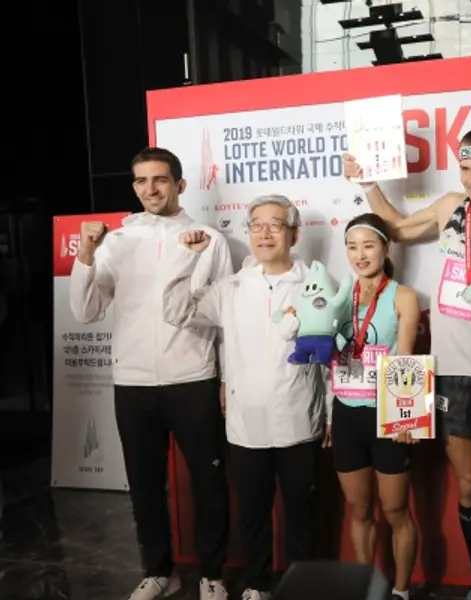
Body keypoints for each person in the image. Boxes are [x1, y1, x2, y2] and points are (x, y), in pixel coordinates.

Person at [343, 126, 471, 600]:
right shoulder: (449, 208)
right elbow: (397, 229)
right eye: (466, 168)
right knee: (469, 485)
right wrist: (367, 183)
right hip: (449, 375)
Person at [69, 147, 232, 600]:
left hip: (193, 377)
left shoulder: (209, 239)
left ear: (180, 184)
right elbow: (85, 311)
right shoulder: (117, 241)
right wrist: (86, 252)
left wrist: (226, 379)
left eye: (159, 179)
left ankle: (213, 574)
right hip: (133, 382)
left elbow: (227, 317)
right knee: (144, 485)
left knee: (209, 482)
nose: (150, 189)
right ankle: (159, 571)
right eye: (141, 181)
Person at [162, 194, 329, 600]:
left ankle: (302, 587)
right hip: (245, 423)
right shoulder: (231, 287)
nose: (265, 233)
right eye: (257, 225)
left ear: (294, 233)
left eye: (275, 224)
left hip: (298, 420)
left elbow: (329, 360)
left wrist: (330, 416)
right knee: (253, 514)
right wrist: (187, 259)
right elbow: (176, 310)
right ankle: (257, 584)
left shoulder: (315, 285)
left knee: (302, 515)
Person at [327, 213, 421, 600]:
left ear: (386, 248)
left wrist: (406, 417)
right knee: (359, 509)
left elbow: (406, 358)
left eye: (368, 245)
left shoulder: (403, 296)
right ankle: (366, 588)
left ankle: (401, 590)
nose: (360, 255)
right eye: (352, 247)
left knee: (396, 510)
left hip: (386, 416)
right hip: (346, 413)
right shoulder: (338, 294)